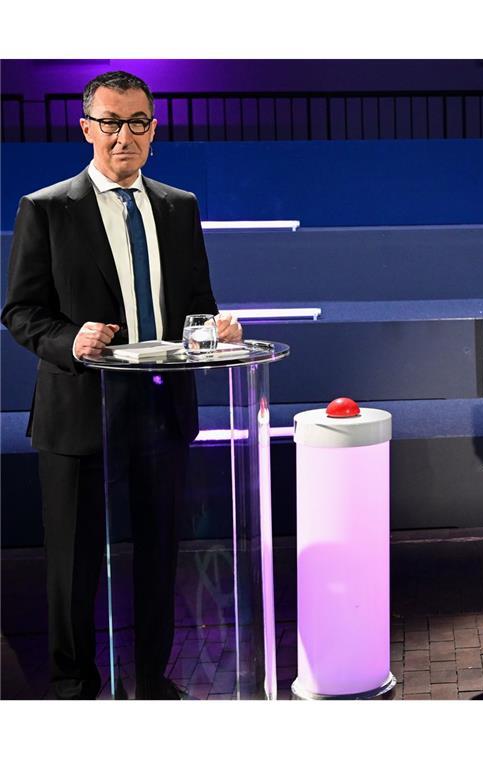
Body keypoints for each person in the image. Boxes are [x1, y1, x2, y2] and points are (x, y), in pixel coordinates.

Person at [2, 71, 242, 699]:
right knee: (74, 567)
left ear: (153, 131)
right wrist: (70, 341)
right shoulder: (47, 208)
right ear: (87, 129)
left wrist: (216, 328)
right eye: (109, 123)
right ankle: (74, 686)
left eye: (136, 122)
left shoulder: (179, 206)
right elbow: (22, 312)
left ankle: (152, 681)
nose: (122, 136)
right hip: (78, 412)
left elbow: (196, 303)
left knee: (159, 557)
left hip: (161, 408)